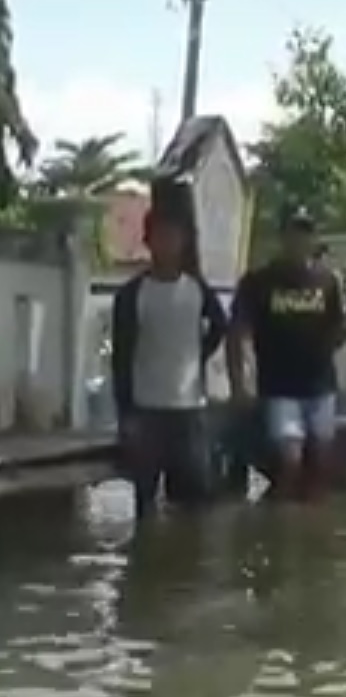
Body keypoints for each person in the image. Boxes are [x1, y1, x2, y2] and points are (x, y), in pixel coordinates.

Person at [109, 210, 229, 514]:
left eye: (173, 237)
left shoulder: (196, 289)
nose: (168, 244)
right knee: (145, 503)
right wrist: (126, 414)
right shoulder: (132, 294)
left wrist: (198, 353)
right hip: (146, 409)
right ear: (148, 242)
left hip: (188, 410)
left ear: (183, 242)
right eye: (161, 237)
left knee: (193, 502)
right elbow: (121, 356)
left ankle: (184, 559)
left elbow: (219, 325)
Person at [229, 207, 346, 502]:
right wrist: (239, 385)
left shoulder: (328, 282)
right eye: (294, 233)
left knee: (321, 463)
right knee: (289, 461)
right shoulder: (258, 282)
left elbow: (337, 333)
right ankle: (280, 528)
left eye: (306, 233)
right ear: (282, 237)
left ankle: (312, 529)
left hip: (321, 387)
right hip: (279, 388)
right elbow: (238, 334)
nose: (299, 240)